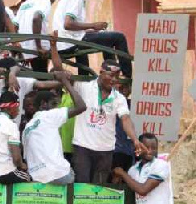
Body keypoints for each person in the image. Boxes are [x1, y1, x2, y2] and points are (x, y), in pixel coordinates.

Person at [50, 53, 145, 183]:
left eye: (117, 77)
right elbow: (59, 71)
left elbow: (126, 119)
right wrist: (54, 47)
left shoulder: (119, 98)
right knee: (81, 188)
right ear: (101, 72)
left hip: (105, 152)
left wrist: (134, 139)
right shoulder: (84, 87)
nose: (114, 80)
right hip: (82, 148)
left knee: (97, 190)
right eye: (111, 75)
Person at [52, 0, 131, 77]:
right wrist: (93, 25)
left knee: (106, 40)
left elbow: (69, 26)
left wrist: (89, 29)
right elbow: (68, 24)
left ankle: (94, 77)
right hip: (70, 42)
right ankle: (127, 76)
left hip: (66, 41)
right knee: (118, 37)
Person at [23, 71, 86, 185]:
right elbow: (81, 106)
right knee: (71, 173)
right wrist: (65, 82)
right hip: (59, 176)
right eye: (54, 104)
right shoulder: (49, 115)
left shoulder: (28, 126)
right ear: (43, 104)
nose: (56, 108)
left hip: (37, 178)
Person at [15, 0, 59, 72]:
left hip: (24, 50)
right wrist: (39, 46)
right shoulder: (46, 1)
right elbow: (36, 18)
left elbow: (14, 26)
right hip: (38, 50)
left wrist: (16, 44)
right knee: (42, 79)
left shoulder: (25, 3)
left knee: (31, 80)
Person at [112, 78, 135, 174]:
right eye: (120, 84)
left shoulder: (134, 105)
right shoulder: (108, 102)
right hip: (113, 150)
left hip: (129, 151)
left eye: (126, 86)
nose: (123, 88)